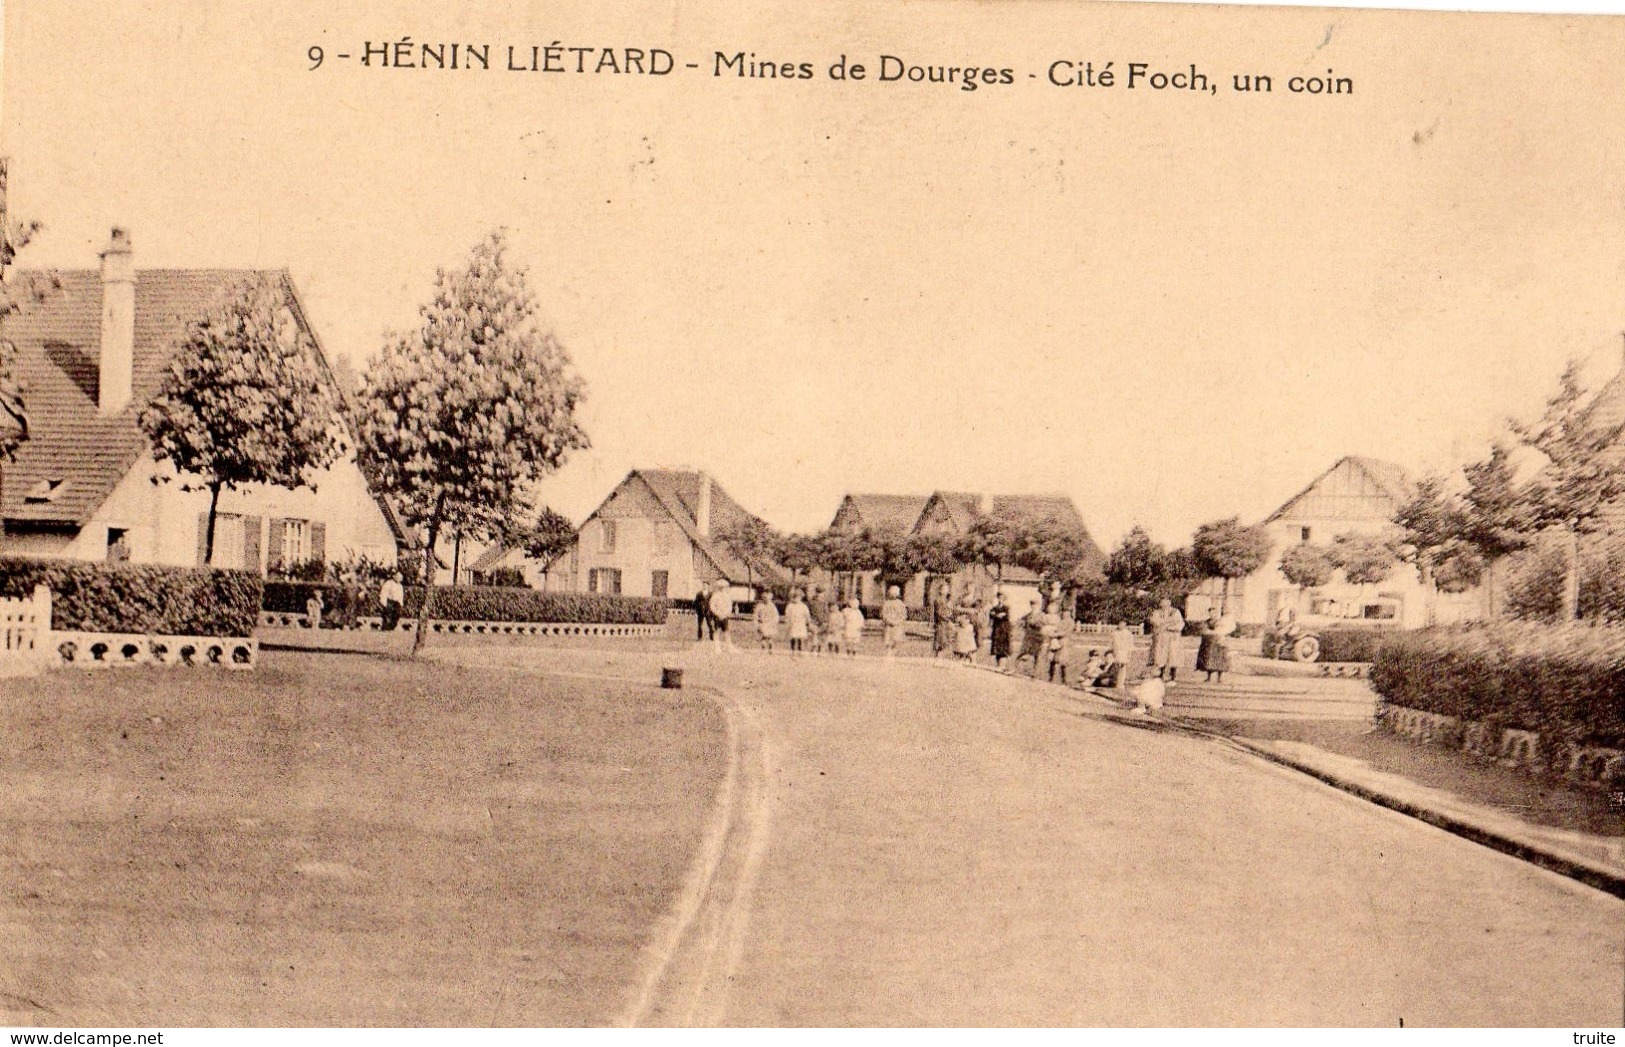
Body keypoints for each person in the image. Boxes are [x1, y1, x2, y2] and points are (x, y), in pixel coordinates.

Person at [1147, 597, 1185, 682]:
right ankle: (1161, 674)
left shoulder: (1175, 612)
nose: (1164, 606)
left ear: (1169, 603)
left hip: (1172, 637)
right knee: (1160, 655)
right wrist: (1165, 623)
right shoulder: (1157, 612)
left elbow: (1180, 623)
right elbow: (1154, 621)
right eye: (1162, 604)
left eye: (1166, 604)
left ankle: (1173, 675)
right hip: (1161, 637)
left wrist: (1170, 626)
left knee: (1173, 656)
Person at [1197, 609, 1236, 683]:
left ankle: (1219, 678)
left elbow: (1225, 630)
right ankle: (1208, 677)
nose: (1212, 615)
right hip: (1209, 643)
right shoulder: (1207, 622)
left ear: (1216, 614)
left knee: (1220, 659)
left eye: (1214, 613)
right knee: (1209, 660)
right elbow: (1204, 630)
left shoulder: (1220, 622)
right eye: (1211, 613)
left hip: (1219, 642)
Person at [1015, 599, 1046, 677]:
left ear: (1038, 606)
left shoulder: (1041, 615)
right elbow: (1021, 621)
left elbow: (1043, 625)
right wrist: (1020, 623)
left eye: (1035, 604)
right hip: (1028, 636)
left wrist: (1035, 623)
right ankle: (1016, 669)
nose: (1033, 606)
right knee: (1023, 652)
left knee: (1036, 655)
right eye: (1032, 604)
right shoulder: (1028, 615)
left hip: (1037, 637)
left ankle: (1036, 673)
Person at [1041, 600, 1067, 684]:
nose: (1051, 610)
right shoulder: (1046, 616)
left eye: (1053, 608)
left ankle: (1062, 678)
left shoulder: (1057, 617)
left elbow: (1059, 627)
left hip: (1056, 636)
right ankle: (1050, 676)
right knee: (1050, 658)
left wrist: (1055, 631)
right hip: (1048, 635)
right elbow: (1043, 624)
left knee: (1059, 659)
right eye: (1050, 608)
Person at [1110, 620, 1137, 691]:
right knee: (1116, 666)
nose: (1120, 625)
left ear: (1125, 624)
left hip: (1124, 652)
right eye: (1119, 623)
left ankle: (1120, 683)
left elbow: (1130, 644)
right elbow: (1112, 643)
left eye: (1122, 623)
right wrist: (1112, 651)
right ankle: (1116, 681)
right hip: (1117, 651)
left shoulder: (1128, 633)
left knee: (1122, 667)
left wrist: (1129, 653)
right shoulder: (1114, 633)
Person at [988, 591, 1013, 671]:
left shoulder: (1006, 608)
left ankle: (1003, 665)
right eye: (999, 598)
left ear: (1004, 599)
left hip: (1004, 630)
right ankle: (999, 665)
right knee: (997, 647)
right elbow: (991, 615)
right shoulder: (994, 608)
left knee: (1003, 647)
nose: (1000, 599)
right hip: (997, 630)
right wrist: (994, 615)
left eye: (1002, 598)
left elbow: (1005, 616)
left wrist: (996, 615)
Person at [881, 585, 908, 658]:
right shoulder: (886, 603)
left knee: (896, 640)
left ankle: (893, 654)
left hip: (897, 625)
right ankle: (888, 654)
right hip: (889, 625)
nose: (894, 595)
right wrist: (888, 621)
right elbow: (883, 614)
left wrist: (898, 621)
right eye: (892, 593)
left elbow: (904, 615)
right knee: (888, 641)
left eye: (895, 593)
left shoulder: (900, 604)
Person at [931, 582, 955, 658]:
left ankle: (939, 657)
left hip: (945, 623)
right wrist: (948, 619)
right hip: (941, 623)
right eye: (944, 589)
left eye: (947, 589)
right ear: (940, 590)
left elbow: (949, 611)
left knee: (943, 641)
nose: (946, 591)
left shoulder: (946, 600)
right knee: (939, 640)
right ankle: (937, 658)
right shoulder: (938, 600)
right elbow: (940, 613)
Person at [708, 584, 735, 651]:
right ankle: (717, 648)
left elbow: (730, 607)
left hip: (724, 616)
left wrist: (725, 614)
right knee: (716, 632)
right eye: (721, 588)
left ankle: (729, 648)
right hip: (717, 616)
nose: (722, 589)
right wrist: (717, 613)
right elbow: (712, 606)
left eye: (723, 588)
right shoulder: (715, 596)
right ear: (718, 588)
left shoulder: (727, 596)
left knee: (726, 632)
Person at [785, 588, 811, 657]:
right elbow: (787, 615)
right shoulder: (790, 606)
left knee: (800, 638)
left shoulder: (803, 606)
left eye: (798, 597)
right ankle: (793, 650)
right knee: (793, 637)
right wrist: (788, 622)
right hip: (793, 623)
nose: (796, 598)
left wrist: (808, 622)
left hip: (801, 623)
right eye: (795, 597)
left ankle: (800, 650)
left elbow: (807, 615)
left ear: (801, 598)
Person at [807, 585, 829, 655]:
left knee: (821, 636)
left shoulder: (824, 602)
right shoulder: (812, 602)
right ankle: (813, 650)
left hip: (822, 621)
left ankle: (820, 650)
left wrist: (826, 621)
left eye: (822, 592)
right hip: (814, 621)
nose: (820, 594)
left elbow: (826, 612)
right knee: (814, 635)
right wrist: (810, 620)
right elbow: (809, 612)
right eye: (819, 592)